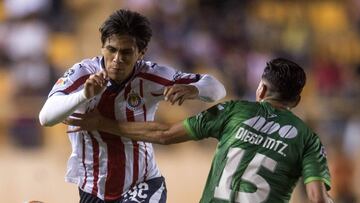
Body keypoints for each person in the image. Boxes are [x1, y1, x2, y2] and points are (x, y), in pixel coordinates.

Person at [64, 58, 333, 203]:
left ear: (261, 89)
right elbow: (317, 199)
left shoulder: (235, 111)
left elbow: (164, 133)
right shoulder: (308, 140)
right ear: (296, 101)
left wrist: (103, 124)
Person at [39, 9, 226, 203]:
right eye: (112, 49)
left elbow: (217, 88)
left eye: (126, 52)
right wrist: (84, 95)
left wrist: (194, 89)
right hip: (93, 189)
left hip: (142, 184)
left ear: (141, 53)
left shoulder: (152, 76)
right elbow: (46, 117)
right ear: (102, 46)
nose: (117, 59)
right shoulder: (82, 73)